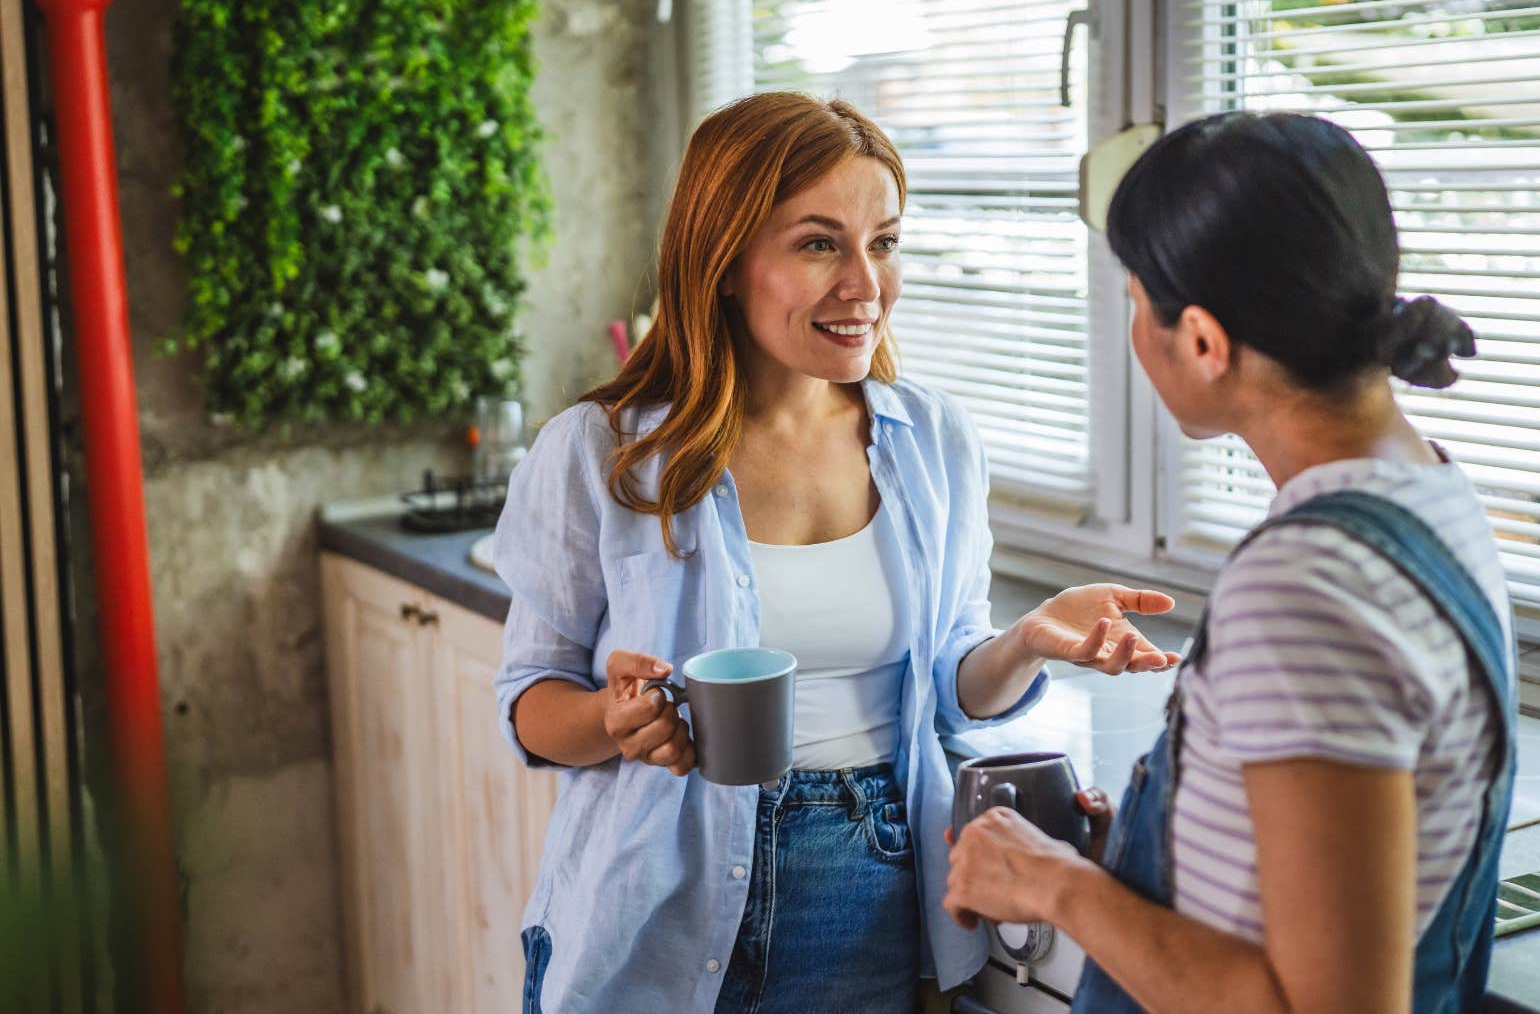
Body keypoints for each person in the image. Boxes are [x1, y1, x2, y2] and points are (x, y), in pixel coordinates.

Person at [490, 91, 1177, 1013]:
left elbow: (948, 692)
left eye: (883, 243)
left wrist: (1027, 641)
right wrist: (610, 720)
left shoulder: (933, 441)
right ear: (724, 262)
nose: (865, 284)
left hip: (865, 898)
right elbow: (530, 701)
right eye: (819, 244)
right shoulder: (602, 452)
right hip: (644, 904)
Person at [943, 111, 1516, 1014]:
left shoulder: (1307, 588)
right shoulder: (1430, 494)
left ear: (1205, 343)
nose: (1134, 329)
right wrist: (1151, 860)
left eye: (1137, 302)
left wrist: (1056, 886)